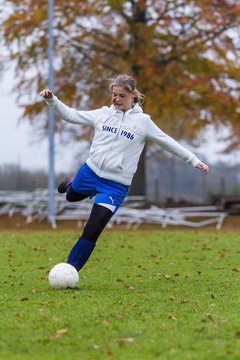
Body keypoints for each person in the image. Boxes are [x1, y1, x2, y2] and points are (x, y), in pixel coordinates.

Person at [40, 74, 209, 272]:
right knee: (71, 197)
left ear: (133, 95)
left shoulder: (143, 123)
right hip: (90, 172)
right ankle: (71, 183)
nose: (117, 99)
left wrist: (194, 160)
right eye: (114, 95)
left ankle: (69, 271)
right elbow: (71, 115)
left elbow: (168, 142)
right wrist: (52, 100)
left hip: (115, 186)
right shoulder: (102, 114)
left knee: (93, 229)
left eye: (121, 95)